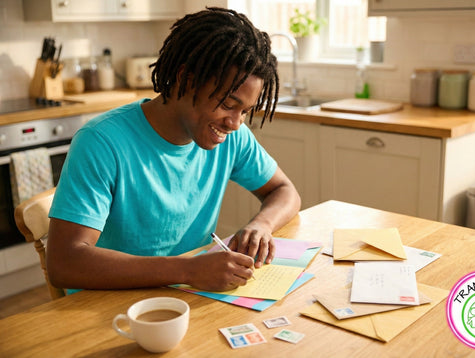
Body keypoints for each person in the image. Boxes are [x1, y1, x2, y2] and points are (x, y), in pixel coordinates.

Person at [46, 7, 301, 293]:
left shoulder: (232, 137)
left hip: (187, 296)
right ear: (186, 79)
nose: (235, 123)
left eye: (245, 111)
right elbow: (64, 262)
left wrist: (262, 225)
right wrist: (188, 270)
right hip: (109, 305)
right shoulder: (102, 142)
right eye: (229, 105)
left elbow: (285, 190)